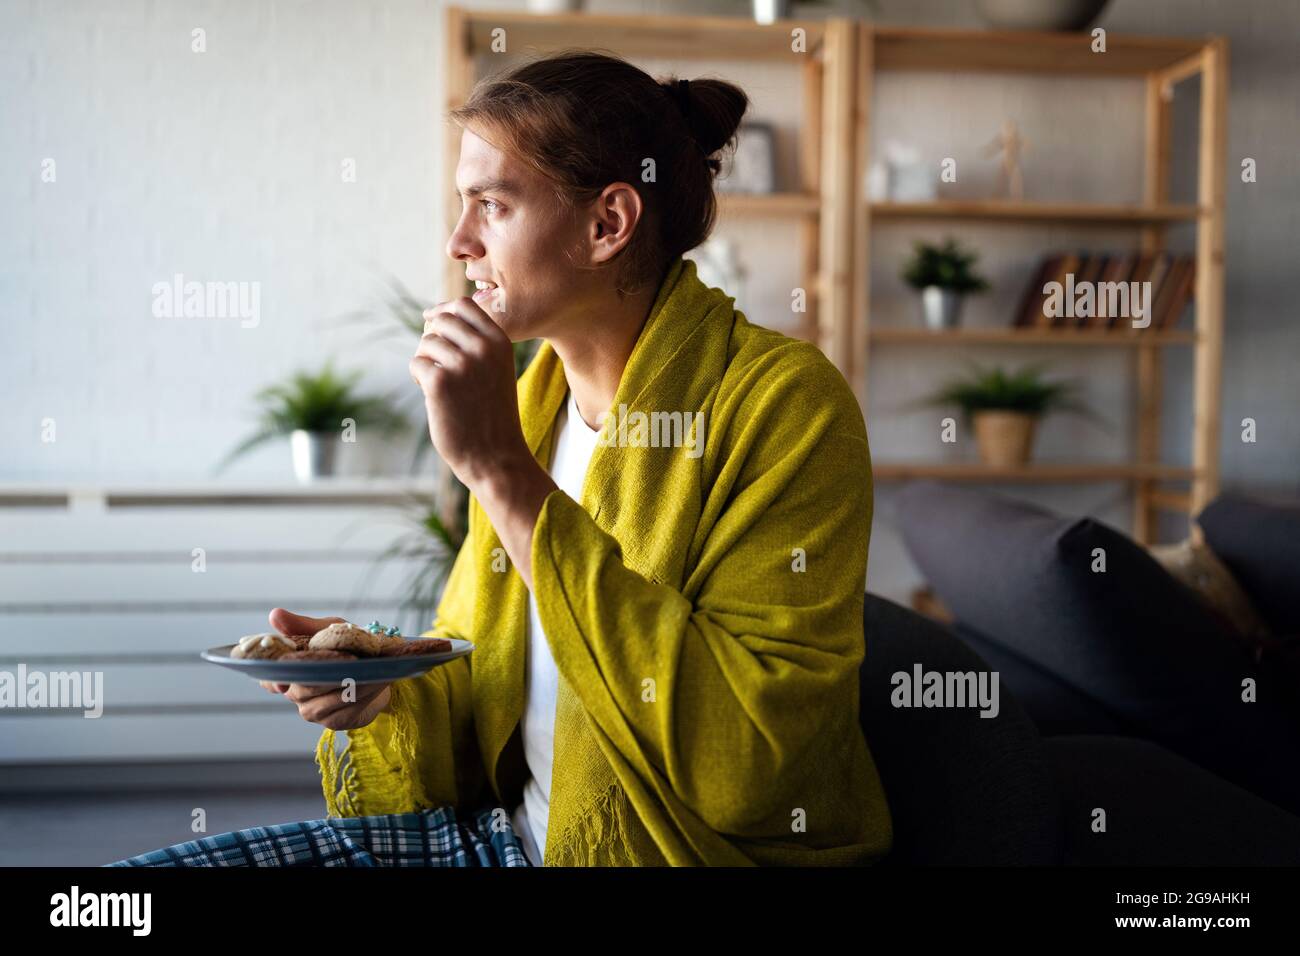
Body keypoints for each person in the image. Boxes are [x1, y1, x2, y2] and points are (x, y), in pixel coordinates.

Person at [108, 49, 892, 867]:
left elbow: (754, 765)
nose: (458, 242)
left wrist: (500, 472)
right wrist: (378, 688)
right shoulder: (534, 398)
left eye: (491, 205)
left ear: (606, 225)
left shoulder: (784, 406)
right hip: (501, 839)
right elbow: (484, 679)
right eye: (462, 205)